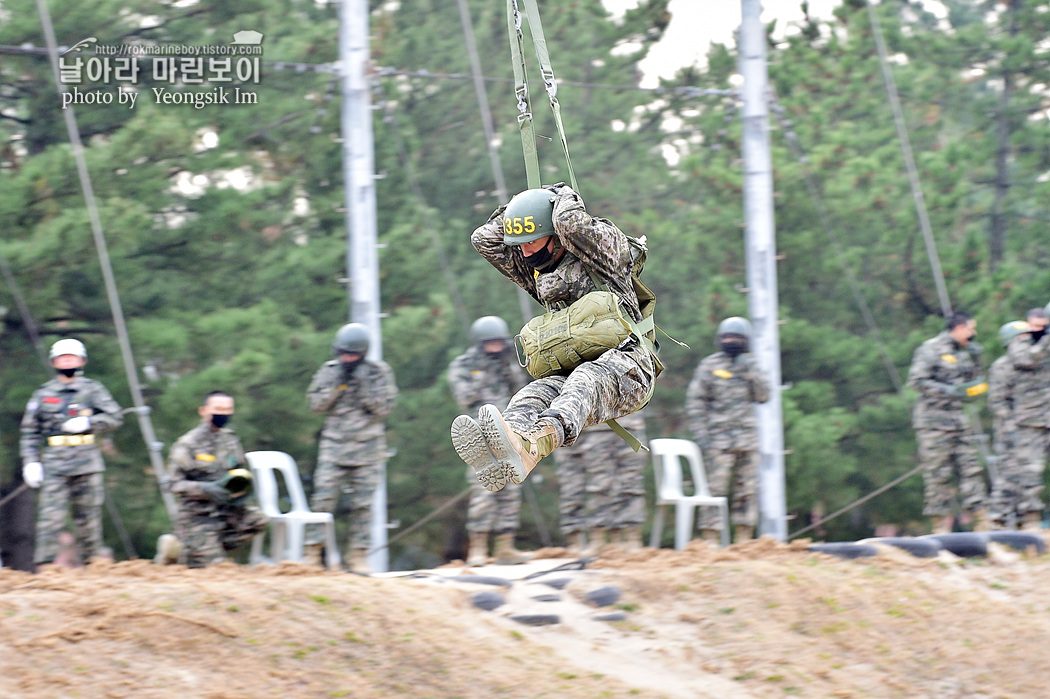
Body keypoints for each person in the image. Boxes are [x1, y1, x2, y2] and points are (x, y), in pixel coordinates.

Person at [451, 184, 660, 493]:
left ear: (556, 235)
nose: (525, 252)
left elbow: (571, 222)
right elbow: (484, 239)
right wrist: (523, 205)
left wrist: (558, 195)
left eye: (533, 241)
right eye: (520, 244)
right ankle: (510, 444)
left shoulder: (604, 253)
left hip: (628, 368)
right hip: (575, 371)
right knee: (530, 396)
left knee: (585, 379)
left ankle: (536, 444)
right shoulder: (539, 272)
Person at [20, 338, 124, 567]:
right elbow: (30, 432)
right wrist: (31, 462)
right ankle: (46, 568)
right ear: (54, 362)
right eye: (62, 357)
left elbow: (115, 417)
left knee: (88, 518)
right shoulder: (42, 394)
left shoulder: (93, 389)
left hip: (86, 461)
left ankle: (93, 566)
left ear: (82, 361)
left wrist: (89, 422)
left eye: (72, 356)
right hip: (55, 464)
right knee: (50, 519)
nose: (67, 360)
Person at [305, 323, 398, 572]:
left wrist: (363, 385)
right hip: (334, 448)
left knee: (363, 506)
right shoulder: (330, 371)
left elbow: (384, 408)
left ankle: (358, 556)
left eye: (352, 355)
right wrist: (338, 385)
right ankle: (312, 554)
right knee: (322, 502)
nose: (347, 358)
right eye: (343, 353)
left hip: (367, 449)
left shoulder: (378, 372)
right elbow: (315, 405)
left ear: (363, 353)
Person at [447, 316, 533, 565]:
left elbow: (521, 392)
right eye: (490, 344)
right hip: (479, 435)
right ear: (480, 343)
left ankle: (505, 546)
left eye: (499, 343)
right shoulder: (465, 365)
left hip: (508, 431)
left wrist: (508, 366)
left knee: (511, 488)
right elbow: (464, 396)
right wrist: (482, 373)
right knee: (485, 489)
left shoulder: (508, 362)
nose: (496, 347)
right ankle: (478, 547)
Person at [685, 317, 771, 543]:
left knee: (748, 491)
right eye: (727, 337)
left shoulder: (751, 365)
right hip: (718, 441)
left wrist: (750, 371)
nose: (731, 341)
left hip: (747, 439)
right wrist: (702, 434)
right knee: (714, 490)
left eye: (736, 338)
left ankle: (744, 539)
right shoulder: (710, 366)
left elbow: (764, 396)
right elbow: (696, 401)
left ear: (746, 341)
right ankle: (710, 539)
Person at [906, 311, 990, 534]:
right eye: (971, 329)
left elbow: (976, 385)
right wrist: (946, 390)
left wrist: (977, 359)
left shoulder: (964, 353)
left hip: (958, 420)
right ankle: (940, 525)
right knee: (938, 473)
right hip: (933, 422)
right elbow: (916, 381)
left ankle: (982, 519)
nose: (973, 334)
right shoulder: (930, 349)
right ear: (959, 328)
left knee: (970, 468)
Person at [167, 391, 267, 568]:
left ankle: (199, 549)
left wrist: (240, 489)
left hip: (226, 510)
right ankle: (186, 549)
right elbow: (174, 484)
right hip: (197, 515)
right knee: (216, 568)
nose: (223, 414)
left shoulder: (230, 440)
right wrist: (206, 489)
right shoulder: (188, 444)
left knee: (258, 520)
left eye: (228, 409)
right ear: (203, 410)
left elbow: (237, 470)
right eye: (218, 409)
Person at [554, 410, 649, 554]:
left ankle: (631, 539)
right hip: (595, 425)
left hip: (630, 424)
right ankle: (598, 538)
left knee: (630, 484)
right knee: (600, 484)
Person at [1005, 307, 1050, 531]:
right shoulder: (1020, 344)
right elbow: (1028, 359)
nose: (1037, 331)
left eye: (1041, 327)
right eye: (1033, 327)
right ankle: (1031, 523)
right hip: (1031, 419)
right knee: (1030, 472)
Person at [987, 320, 1027, 528]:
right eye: (1022, 338)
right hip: (1009, 429)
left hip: (1032, 428)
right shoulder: (1002, 367)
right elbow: (997, 402)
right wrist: (1013, 424)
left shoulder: (1032, 364)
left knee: (1028, 474)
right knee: (1009, 473)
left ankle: (1023, 518)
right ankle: (998, 517)